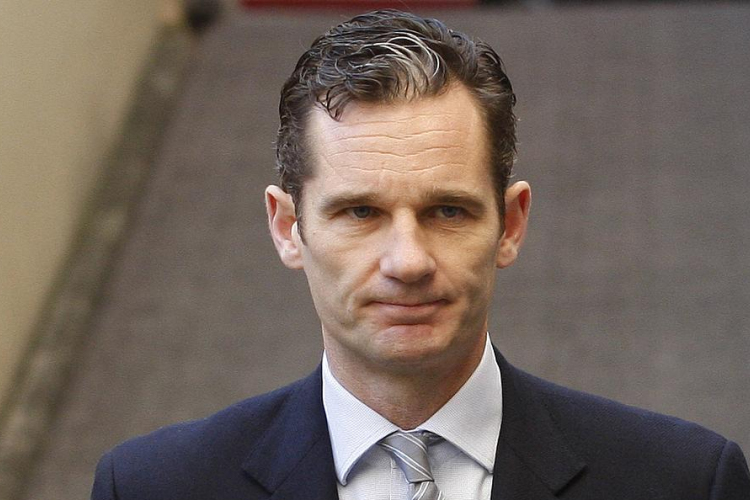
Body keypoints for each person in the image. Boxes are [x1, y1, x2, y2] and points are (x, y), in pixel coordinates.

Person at [91, 9, 750, 500]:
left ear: (511, 224)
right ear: (289, 228)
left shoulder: (684, 482)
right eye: (361, 212)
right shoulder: (155, 487)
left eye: (447, 211)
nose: (407, 262)